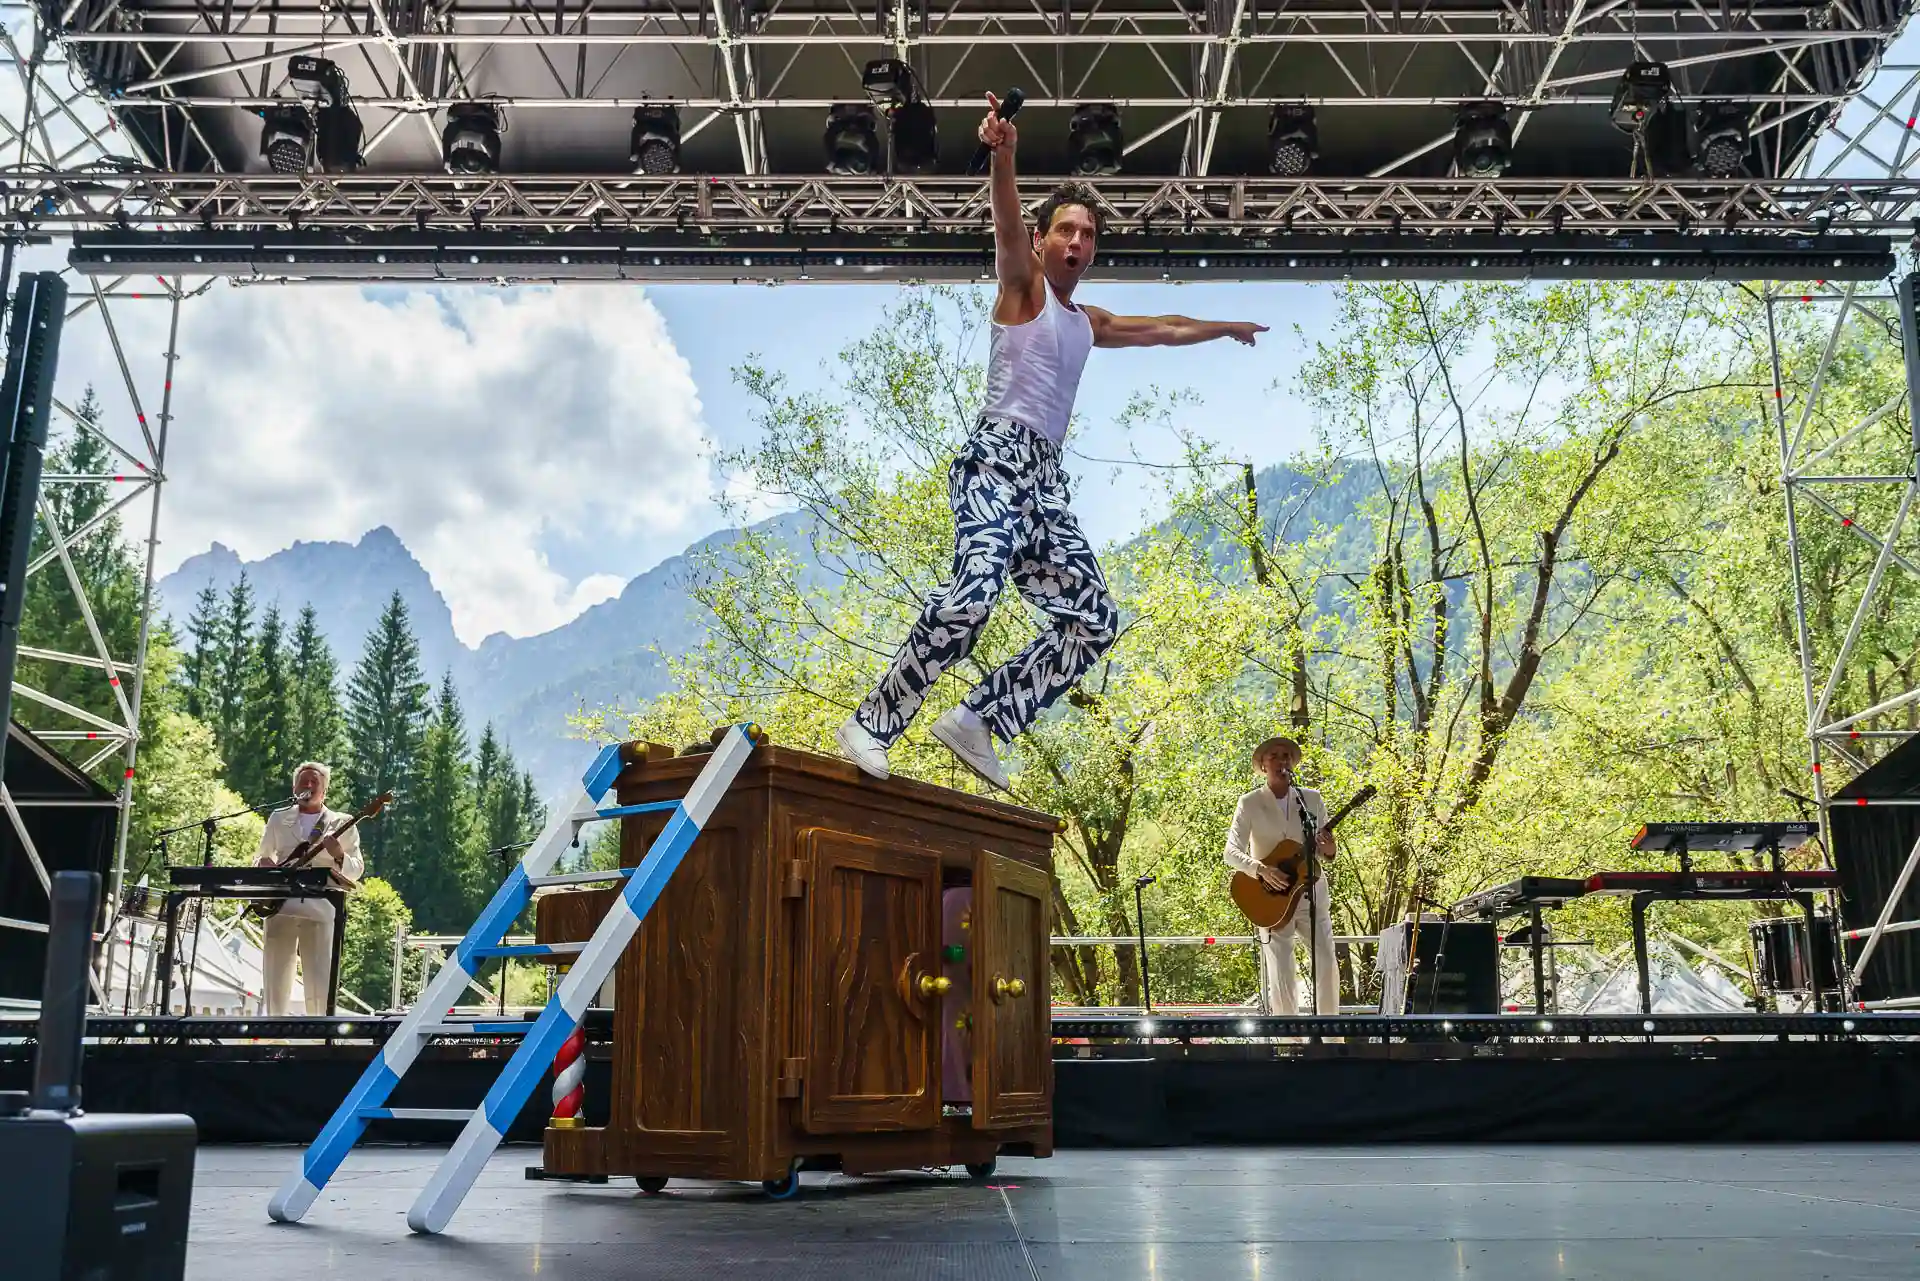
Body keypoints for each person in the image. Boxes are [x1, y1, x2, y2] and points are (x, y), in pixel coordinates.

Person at [836, 93, 1269, 790]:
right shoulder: (1022, 287)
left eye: (1088, 235)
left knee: (1095, 617)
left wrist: (1224, 327)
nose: (1076, 242)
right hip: (994, 465)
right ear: (1043, 241)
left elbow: (1162, 326)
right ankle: (874, 721)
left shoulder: (1088, 320)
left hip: (1043, 485)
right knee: (974, 594)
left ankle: (980, 718)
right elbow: (1005, 222)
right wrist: (1003, 157)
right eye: (1065, 229)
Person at [1223, 736, 1339, 1016]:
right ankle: (1291, 1041)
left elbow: (1327, 850)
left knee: (1326, 964)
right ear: (1263, 765)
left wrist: (1331, 849)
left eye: (1286, 755)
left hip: (1311, 896)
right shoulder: (1249, 803)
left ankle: (1330, 1036)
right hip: (1271, 899)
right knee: (1282, 972)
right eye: (1273, 755)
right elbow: (1230, 852)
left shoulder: (1311, 798)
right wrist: (1260, 869)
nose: (1281, 760)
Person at [256, 761, 362, 1016]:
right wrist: (263, 864)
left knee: (319, 976)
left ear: (325, 791)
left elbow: (357, 869)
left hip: (321, 907)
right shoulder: (279, 818)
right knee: (275, 973)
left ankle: (317, 1037)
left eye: (315, 782)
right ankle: (274, 1035)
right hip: (280, 905)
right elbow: (260, 857)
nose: (309, 785)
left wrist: (338, 855)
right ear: (294, 788)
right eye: (304, 781)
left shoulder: (342, 822)